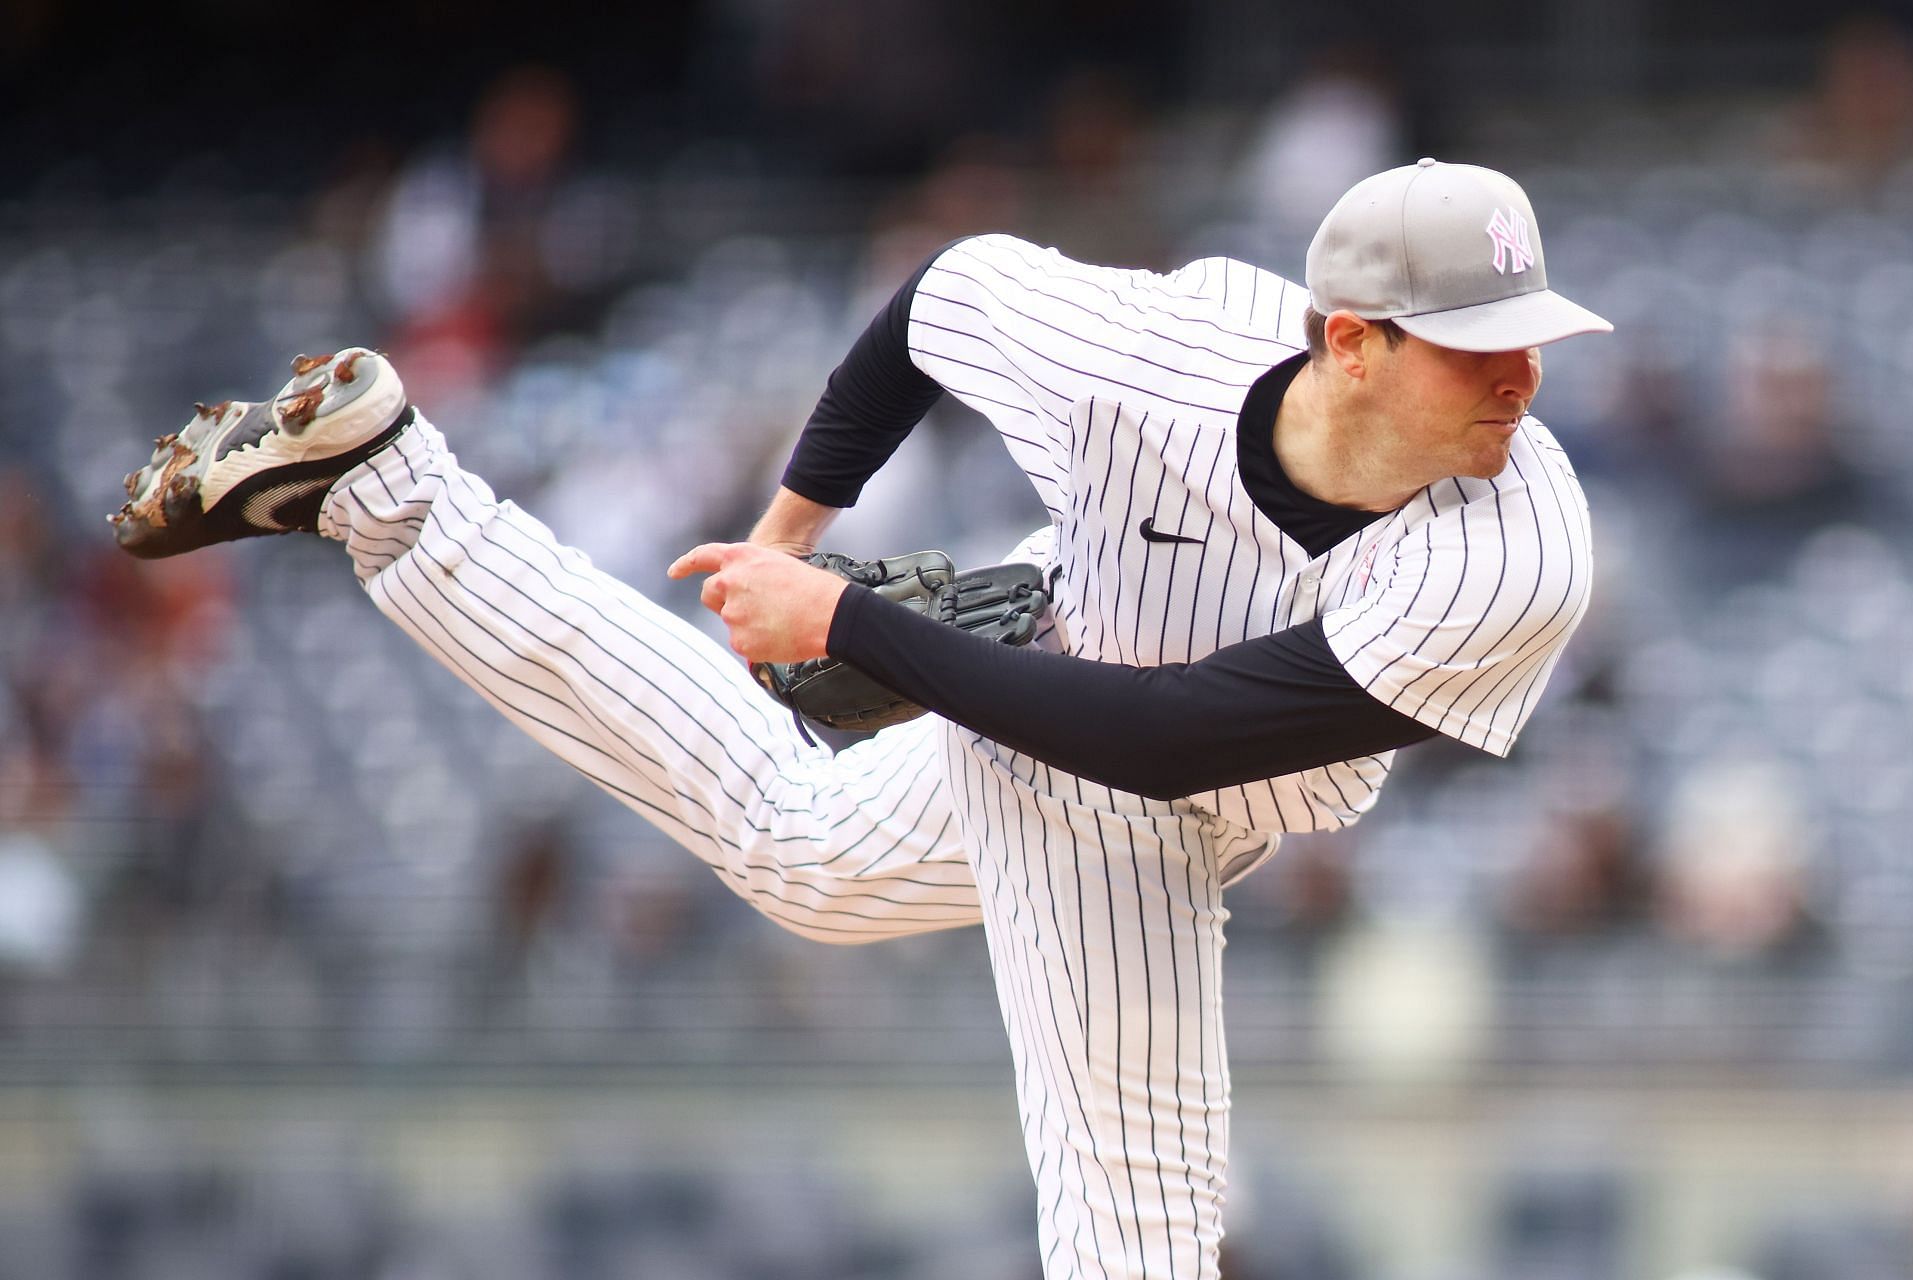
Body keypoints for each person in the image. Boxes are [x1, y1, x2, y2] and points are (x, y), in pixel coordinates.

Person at [111, 158, 1610, 1280]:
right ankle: (395, 496)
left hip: (1179, 741)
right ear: (1351, 341)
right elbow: (937, 303)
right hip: (1080, 727)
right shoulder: (1156, 353)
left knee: (803, 853)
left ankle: (395, 494)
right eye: (1477, 341)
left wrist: (843, 622)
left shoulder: (1513, 546)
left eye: (1529, 332)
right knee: (1140, 1228)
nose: (1523, 374)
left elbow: (1185, 735)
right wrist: (784, 535)